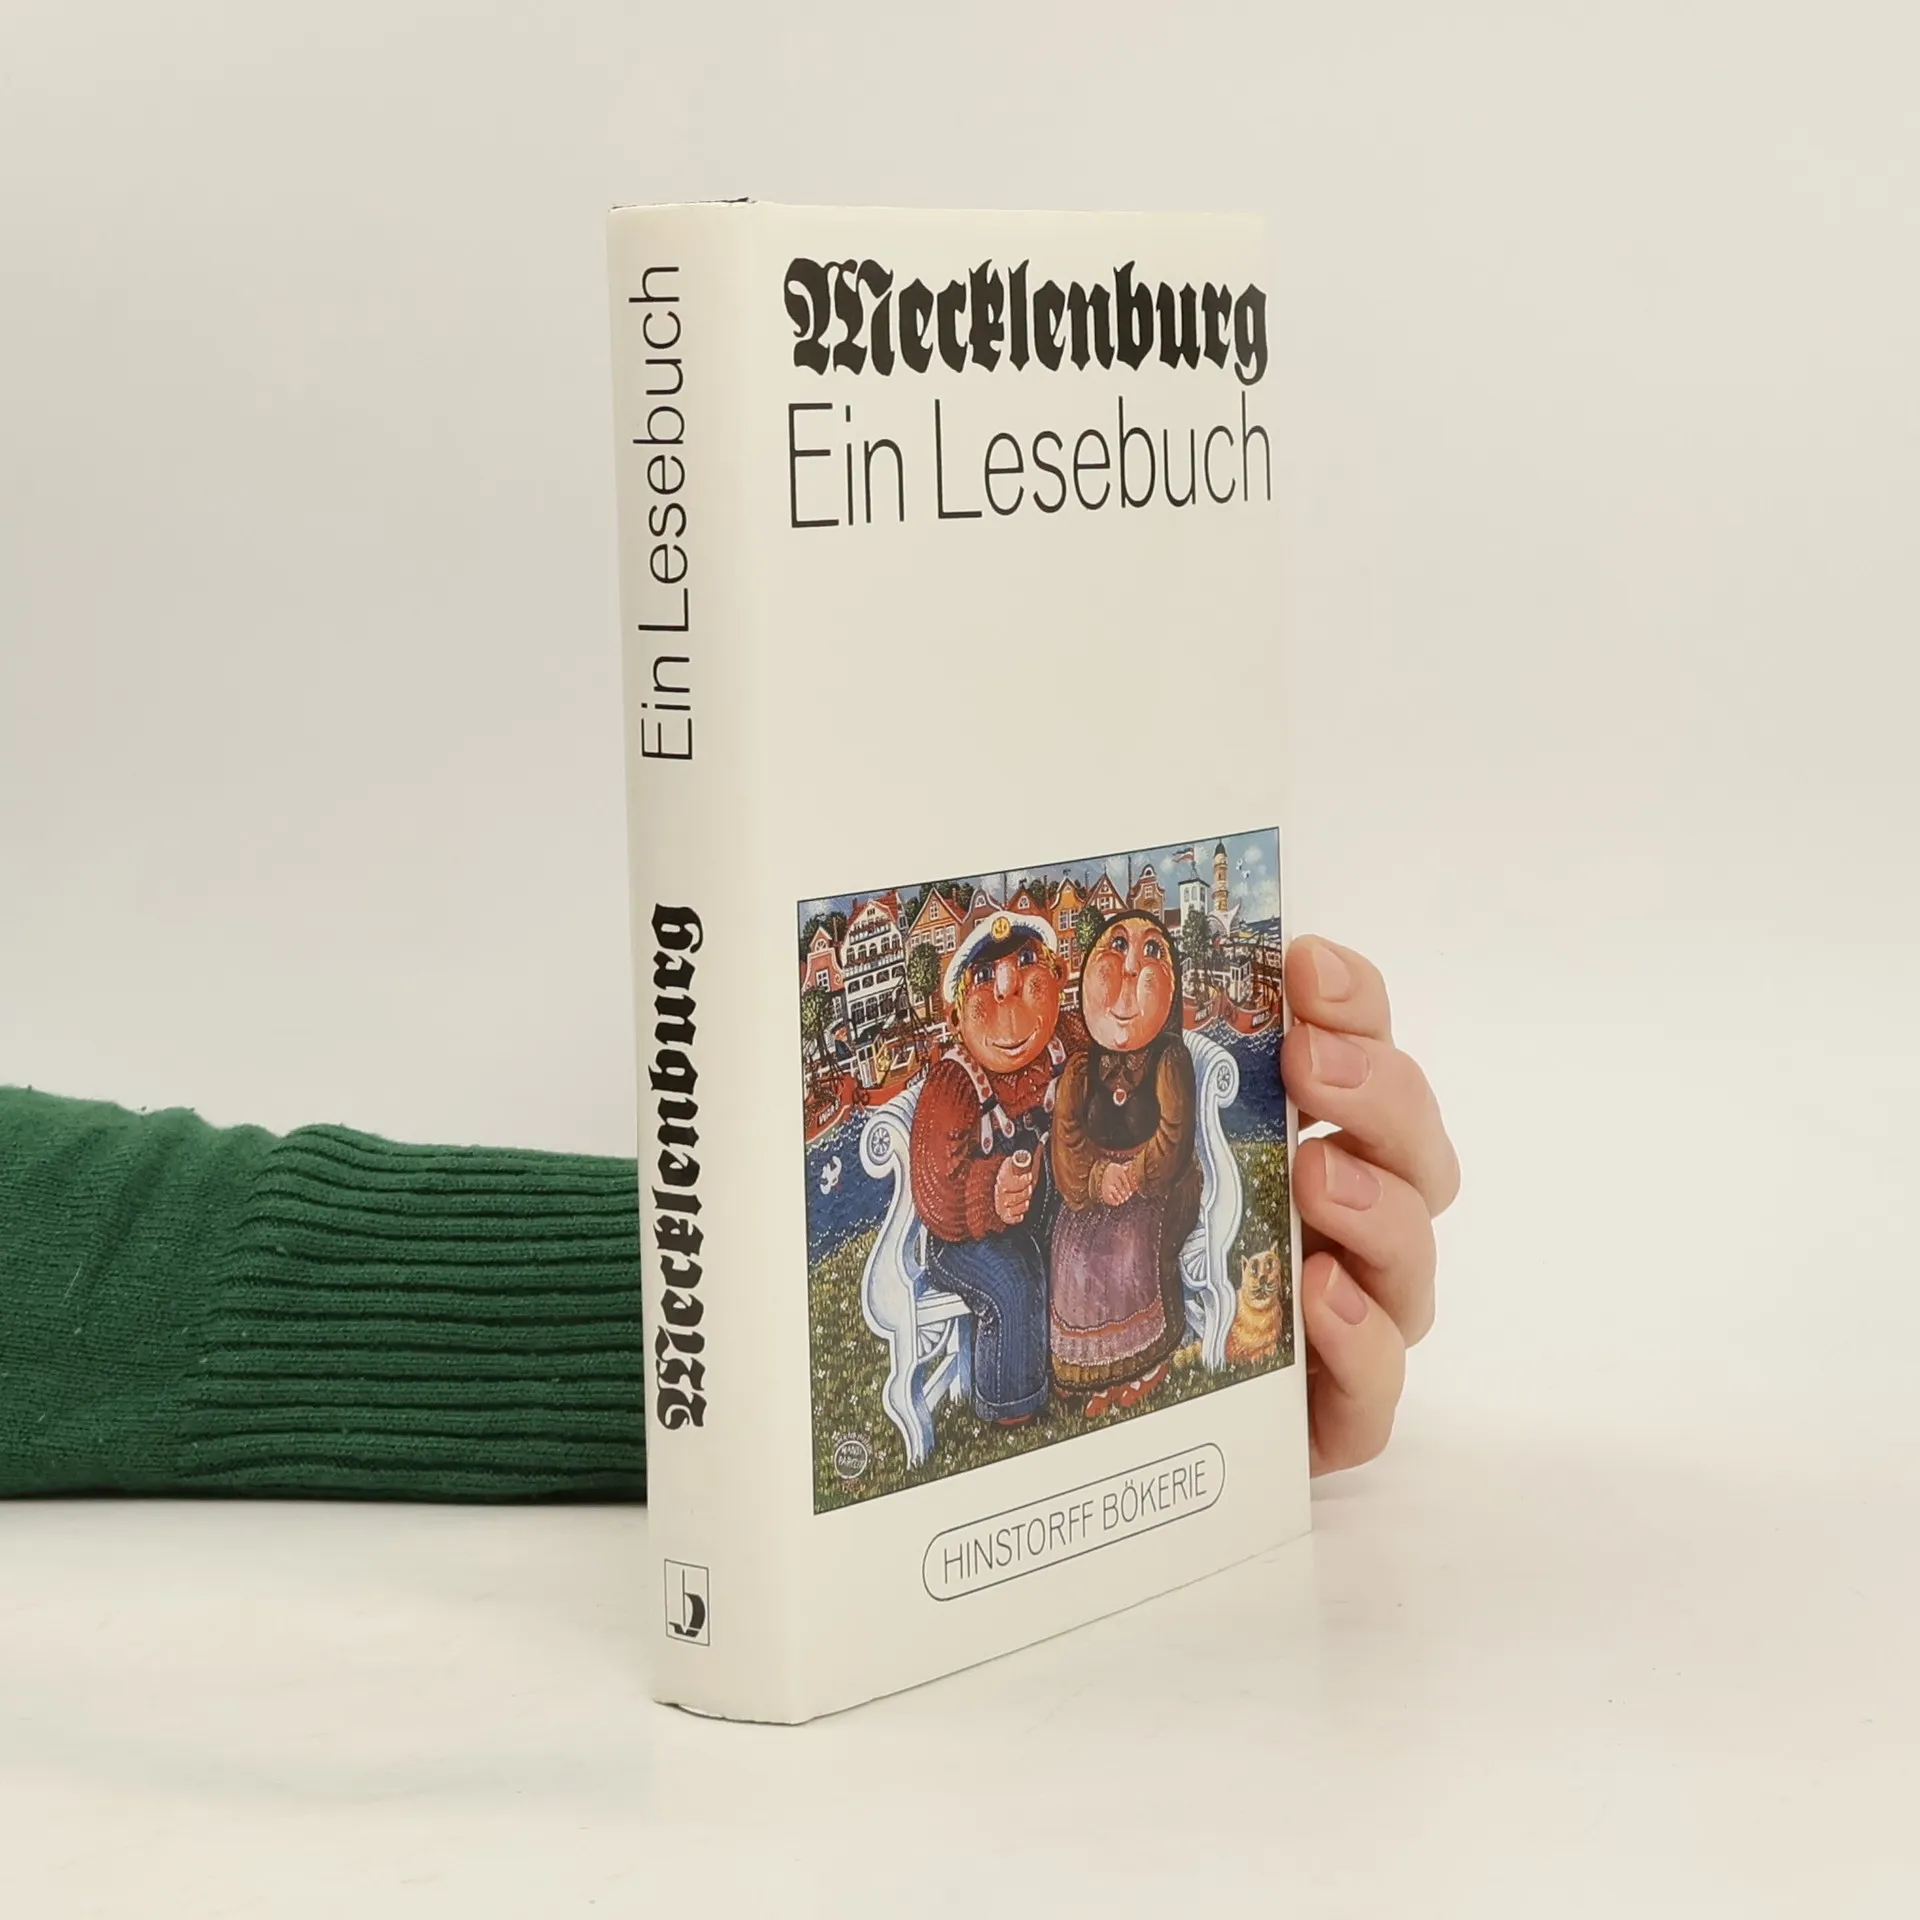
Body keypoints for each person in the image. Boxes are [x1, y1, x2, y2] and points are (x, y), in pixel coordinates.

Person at [0, 936, 1456, 1497]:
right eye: (998, 985)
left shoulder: (1102, 1065)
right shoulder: (950, 1093)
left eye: (1047, 980)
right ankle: (1020, 1401)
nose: (1033, 1001)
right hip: (979, 1247)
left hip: (1095, 1246)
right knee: (1016, 1296)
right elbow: (947, 1187)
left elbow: (146, 1262)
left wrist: (1218, 1241)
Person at [906, 911, 1071, 1426]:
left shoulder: (1063, 1043)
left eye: (1027, 963)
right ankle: (1011, 1407)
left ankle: (1072, 1365)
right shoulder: (954, 1084)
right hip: (960, 1239)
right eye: (984, 977)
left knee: (1074, 1242)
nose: (1008, 991)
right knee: (1013, 1277)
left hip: (1038, 1209)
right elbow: (933, 1189)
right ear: (956, 1017)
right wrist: (989, 1192)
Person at [1049, 911, 1201, 1417]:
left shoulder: (1169, 1062)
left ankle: (1145, 1361)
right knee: (1071, 1246)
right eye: (1116, 947)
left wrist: (1134, 1174)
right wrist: (1097, 1177)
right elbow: (1067, 1137)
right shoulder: (1080, 1068)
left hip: (1158, 1184)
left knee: (1126, 1248)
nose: (1131, 967)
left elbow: (1174, 1137)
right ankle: (1089, 1369)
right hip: (1100, 1180)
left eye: (1152, 951)